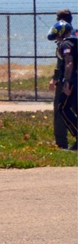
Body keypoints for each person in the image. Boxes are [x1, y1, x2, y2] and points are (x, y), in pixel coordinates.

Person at [48, 19, 77, 150]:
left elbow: (69, 62)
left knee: (62, 107)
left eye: (57, 36)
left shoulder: (66, 44)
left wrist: (67, 81)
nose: (57, 39)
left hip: (73, 80)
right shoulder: (75, 40)